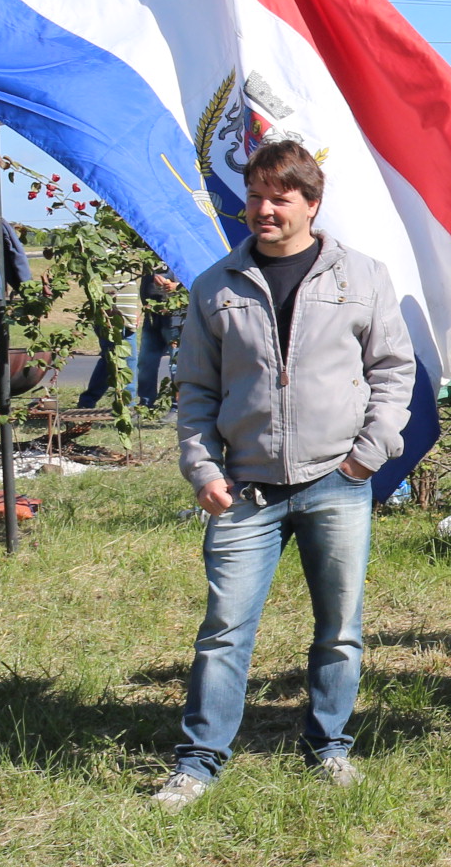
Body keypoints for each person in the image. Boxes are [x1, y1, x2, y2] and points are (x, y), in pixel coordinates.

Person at [153, 139, 417, 810]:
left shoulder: (362, 276)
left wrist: (370, 452)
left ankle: (328, 746)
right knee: (223, 629)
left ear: (311, 204)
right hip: (245, 487)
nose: (263, 209)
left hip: (338, 479)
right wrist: (202, 467)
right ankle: (200, 760)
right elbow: (195, 392)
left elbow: (393, 370)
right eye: (255, 196)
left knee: (340, 628)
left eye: (280, 197)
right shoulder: (218, 285)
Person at [75, 269, 144, 411]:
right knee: (121, 360)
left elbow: (129, 282)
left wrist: (134, 310)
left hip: (127, 316)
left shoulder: (124, 253)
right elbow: (95, 283)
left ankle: (88, 401)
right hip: (111, 315)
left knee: (111, 360)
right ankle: (127, 406)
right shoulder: (101, 253)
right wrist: (105, 308)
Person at [136, 268, 185, 406]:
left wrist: (177, 286)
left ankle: (177, 407)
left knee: (176, 365)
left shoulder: (184, 251)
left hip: (175, 318)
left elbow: (196, 278)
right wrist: (152, 276)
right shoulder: (153, 251)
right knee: (146, 363)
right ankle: (145, 404)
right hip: (152, 316)